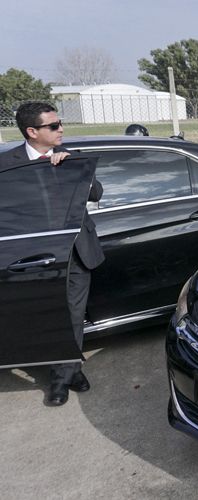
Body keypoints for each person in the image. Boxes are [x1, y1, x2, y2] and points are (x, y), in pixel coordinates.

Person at [0, 102, 105, 406]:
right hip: (29, 255)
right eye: (53, 126)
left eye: (60, 124)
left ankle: (62, 377)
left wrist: (70, 169)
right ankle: (70, 371)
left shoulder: (70, 158)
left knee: (72, 314)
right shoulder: (9, 164)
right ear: (32, 131)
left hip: (74, 251)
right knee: (42, 313)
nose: (61, 130)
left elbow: (96, 193)